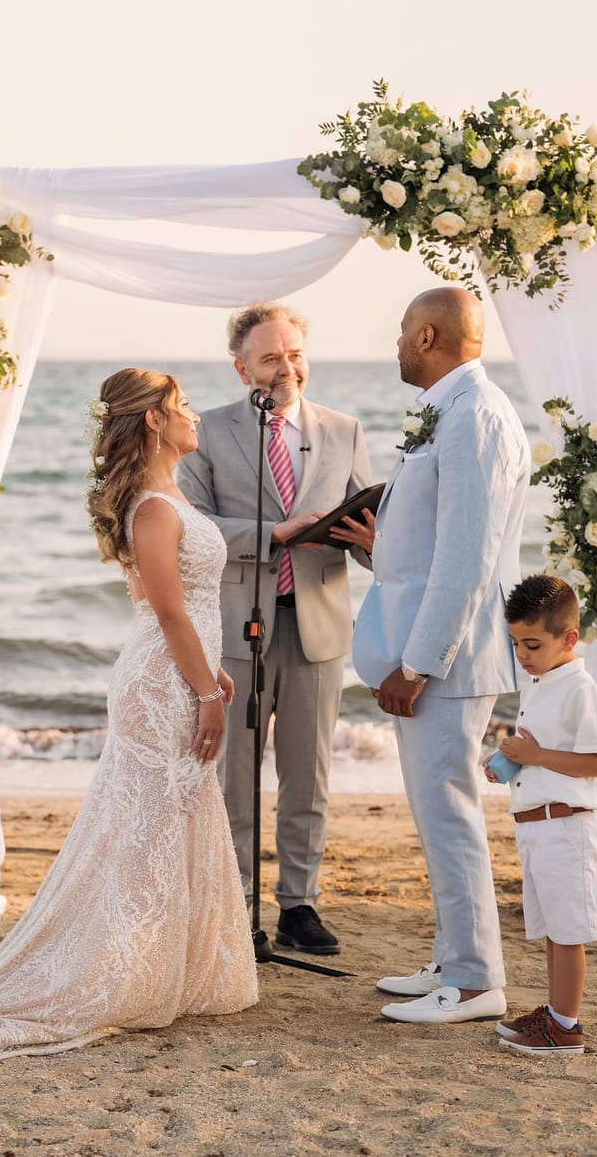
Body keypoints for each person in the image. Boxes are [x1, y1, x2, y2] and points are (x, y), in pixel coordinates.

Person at [0, 367, 257, 1075]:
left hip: (184, 674)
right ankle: (122, 971)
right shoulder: (153, 507)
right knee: (146, 827)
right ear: (153, 420)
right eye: (182, 408)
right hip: (159, 687)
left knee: (175, 819)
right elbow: (170, 611)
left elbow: (193, 610)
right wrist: (204, 693)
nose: (196, 419)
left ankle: (172, 967)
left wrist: (211, 672)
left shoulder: (174, 494)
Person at [337, 287, 530, 1022]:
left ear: (425, 336)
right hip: (430, 649)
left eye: (399, 333)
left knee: (449, 815)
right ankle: (455, 957)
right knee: (435, 811)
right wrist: (381, 546)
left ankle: (478, 982)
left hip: (445, 660)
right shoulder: (452, 412)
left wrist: (417, 664)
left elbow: (467, 558)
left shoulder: (475, 417)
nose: (394, 346)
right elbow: (436, 542)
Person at [179, 301, 372, 955]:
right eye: (270, 357)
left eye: (293, 354)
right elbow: (191, 527)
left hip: (318, 624)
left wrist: (372, 540)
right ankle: (237, 906)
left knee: (307, 774)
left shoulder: (344, 429)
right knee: (235, 774)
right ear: (242, 369)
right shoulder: (205, 432)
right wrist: (272, 535)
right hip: (238, 626)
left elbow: (371, 534)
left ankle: (299, 903)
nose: (286, 367)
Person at [483, 575, 597, 1055]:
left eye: (532, 644)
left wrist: (536, 757)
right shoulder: (540, 684)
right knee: (551, 931)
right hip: (537, 825)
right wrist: (512, 763)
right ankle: (555, 1010)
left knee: (568, 933)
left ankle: (566, 1027)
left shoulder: (581, 690)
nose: (522, 654)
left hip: (568, 825)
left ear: (569, 638)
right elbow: (542, 750)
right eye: (516, 643)